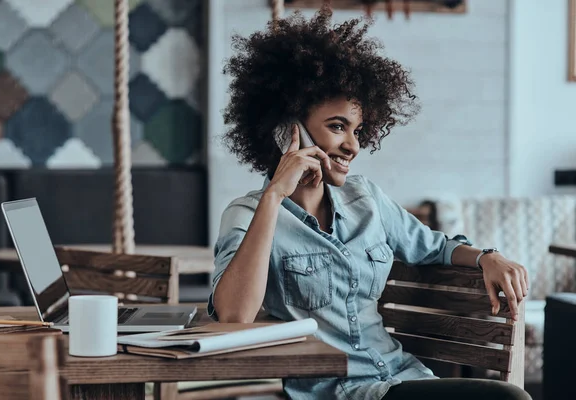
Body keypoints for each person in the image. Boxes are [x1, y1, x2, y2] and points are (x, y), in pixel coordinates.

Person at [208, 6, 531, 400]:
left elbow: (437, 247)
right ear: (287, 130)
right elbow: (234, 316)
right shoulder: (248, 214)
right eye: (337, 126)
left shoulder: (367, 200)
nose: (354, 145)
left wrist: (487, 257)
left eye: (358, 130)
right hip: (338, 392)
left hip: (403, 377)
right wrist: (274, 195)